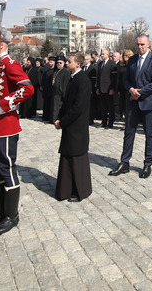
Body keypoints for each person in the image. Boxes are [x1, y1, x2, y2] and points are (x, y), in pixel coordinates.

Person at [0, 28, 35, 235]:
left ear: (0, 44)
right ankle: (0, 211)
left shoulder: (9, 64)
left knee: (7, 169)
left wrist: (3, 105)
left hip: (5, 126)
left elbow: (27, 88)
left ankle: (11, 215)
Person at [109, 35, 152, 179]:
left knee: (149, 134)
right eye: (138, 44)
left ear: (148, 45)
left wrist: (140, 92)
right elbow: (126, 80)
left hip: (148, 103)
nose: (140, 47)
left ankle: (147, 164)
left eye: (142, 44)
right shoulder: (132, 60)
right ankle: (124, 162)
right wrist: (131, 89)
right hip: (132, 102)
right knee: (128, 133)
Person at [54, 52, 92, 202]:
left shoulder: (83, 81)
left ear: (78, 64)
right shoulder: (72, 78)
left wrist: (63, 122)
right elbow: (66, 101)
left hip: (77, 127)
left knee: (77, 159)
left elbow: (77, 107)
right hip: (70, 126)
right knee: (68, 157)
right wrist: (59, 118)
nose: (66, 63)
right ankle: (66, 189)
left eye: (69, 61)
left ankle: (79, 191)